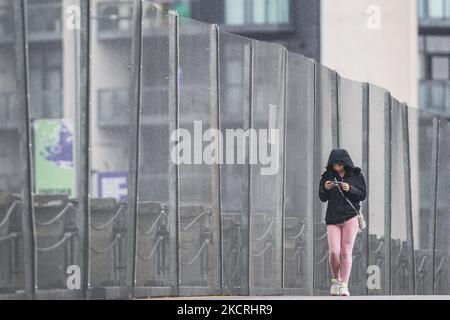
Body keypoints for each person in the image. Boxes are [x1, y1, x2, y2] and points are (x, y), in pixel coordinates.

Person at [318, 149, 367, 296]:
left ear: (345, 163)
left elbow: (363, 194)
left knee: (346, 252)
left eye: (339, 164)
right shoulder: (327, 175)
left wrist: (350, 189)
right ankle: (336, 281)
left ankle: (344, 285)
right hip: (333, 219)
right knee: (334, 252)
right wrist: (325, 188)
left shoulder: (356, 175)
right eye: (334, 165)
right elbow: (322, 197)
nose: (337, 168)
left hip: (350, 218)